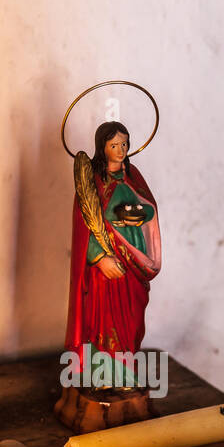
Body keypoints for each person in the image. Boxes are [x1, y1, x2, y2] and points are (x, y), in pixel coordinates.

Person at [63, 120, 162, 388]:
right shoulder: (92, 183)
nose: (121, 150)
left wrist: (140, 215)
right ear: (102, 147)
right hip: (105, 265)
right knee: (103, 319)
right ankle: (101, 376)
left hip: (133, 259)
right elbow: (85, 225)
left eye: (125, 144)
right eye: (114, 145)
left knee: (130, 319)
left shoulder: (133, 176)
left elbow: (149, 207)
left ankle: (126, 374)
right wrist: (99, 257)